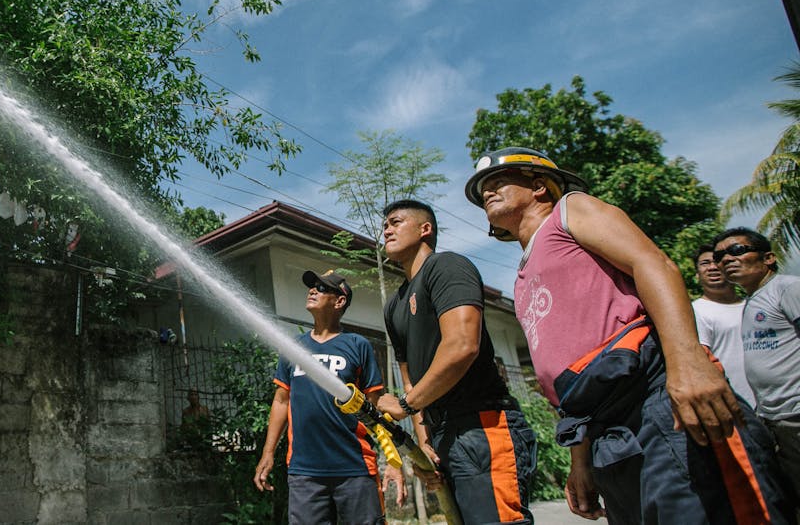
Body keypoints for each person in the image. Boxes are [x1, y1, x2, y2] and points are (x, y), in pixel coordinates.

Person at [465, 146, 792, 523]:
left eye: (498, 181)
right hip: (605, 431)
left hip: (654, 401)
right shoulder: (521, 280)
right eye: (483, 188)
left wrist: (689, 362)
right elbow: (565, 377)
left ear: (539, 186)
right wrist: (580, 459)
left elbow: (652, 262)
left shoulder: (571, 211)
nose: (486, 191)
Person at [373, 199, 536, 525]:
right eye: (384, 225)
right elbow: (410, 381)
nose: (386, 229)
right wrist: (424, 448)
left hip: (482, 426)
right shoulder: (395, 306)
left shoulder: (447, 267)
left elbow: (462, 346)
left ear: (425, 229)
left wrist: (406, 404)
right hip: (443, 434)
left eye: (395, 222)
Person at [254, 270, 387, 524]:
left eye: (322, 288)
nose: (313, 290)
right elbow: (281, 401)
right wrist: (268, 452)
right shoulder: (294, 347)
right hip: (305, 471)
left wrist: (394, 463)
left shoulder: (358, 345)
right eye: (312, 286)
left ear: (340, 301)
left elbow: (376, 404)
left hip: (354, 467)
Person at [714, 227, 800, 504]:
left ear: (769, 258)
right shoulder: (751, 301)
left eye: (737, 250)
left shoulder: (787, 288)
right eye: (719, 256)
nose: (726, 259)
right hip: (775, 418)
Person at [691, 243, 755, 406]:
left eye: (717, 261)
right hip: (735, 406)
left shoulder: (755, 305)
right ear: (697, 275)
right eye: (705, 263)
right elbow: (698, 364)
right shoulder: (694, 312)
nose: (712, 267)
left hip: (777, 406)